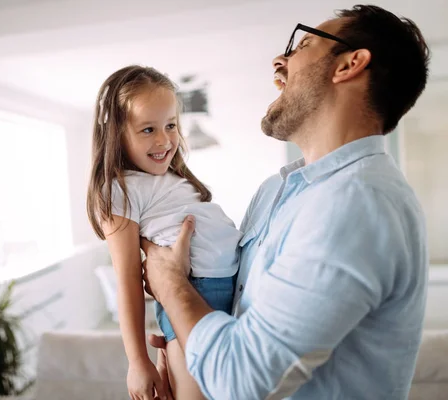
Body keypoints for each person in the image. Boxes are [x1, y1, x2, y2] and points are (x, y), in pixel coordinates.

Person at [141, 5, 430, 399]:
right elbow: (235, 316)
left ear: (349, 65)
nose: (280, 62)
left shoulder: (357, 201)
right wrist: (184, 351)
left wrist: (169, 283)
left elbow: (241, 381)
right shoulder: (275, 190)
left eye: (304, 43)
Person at [86, 65, 243, 400]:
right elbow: (127, 279)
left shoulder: (169, 180)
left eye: (170, 125)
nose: (164, 140)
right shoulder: (119, 189)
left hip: (228, 293)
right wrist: (137, 362)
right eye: (147, 129)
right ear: (116, 133)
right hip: (195, 292)